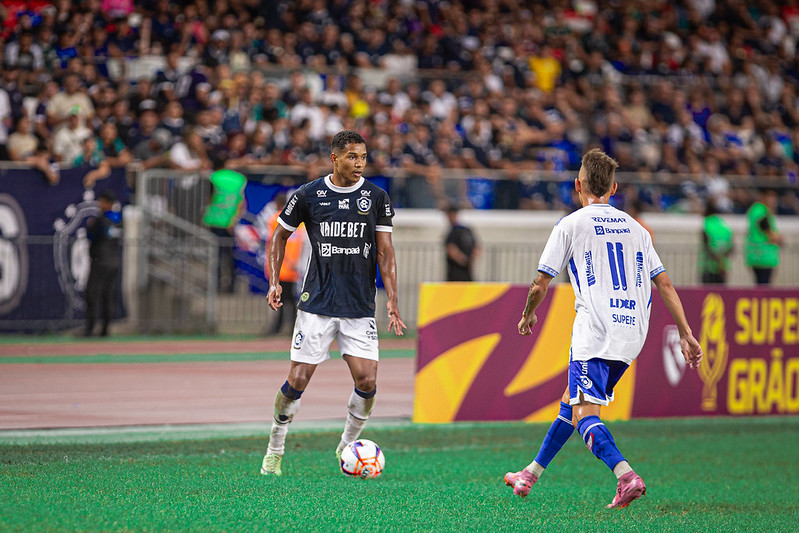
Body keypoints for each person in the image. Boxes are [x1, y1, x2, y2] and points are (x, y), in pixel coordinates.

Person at [503, 149, 703, 508]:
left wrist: (528, 314)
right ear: (614, 188)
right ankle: (529, 474)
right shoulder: (637, 229)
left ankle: (625, 476)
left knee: (585, 414)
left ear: (578, 186)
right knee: (573, 401)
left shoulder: (571, 224)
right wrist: (686, 333)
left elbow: (539, 283)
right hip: (632, 334)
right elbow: (664, 284)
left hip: (595, 331)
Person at [260, 130, 406, 476]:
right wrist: (274, 280)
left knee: (367, 381)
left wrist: (392, 298)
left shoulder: (377, 197)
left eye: (363, 157)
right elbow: (279, 235)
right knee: (298, 379)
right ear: (335, 158)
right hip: (317, 303)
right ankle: (274, 451)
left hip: (358, 305)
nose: (359, 164)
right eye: (352, 157)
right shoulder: (309, 194)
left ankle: (346, 446)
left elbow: (385, 251)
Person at [265, 192, 307, 335]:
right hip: (293, 267)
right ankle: (291, 326)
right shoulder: (298, 221)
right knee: (290, 299)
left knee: (282, 299)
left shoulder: (275, 219)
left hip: (280, 267)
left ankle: (279, 327)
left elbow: (275, 241)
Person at [83, 190, 123, 337]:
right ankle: (106, 329)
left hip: (100, 260)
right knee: (108, 295)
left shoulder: (101, 219)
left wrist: (91, 226)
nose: (99, 204)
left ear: (107, 203)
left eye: (101, 201)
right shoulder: (119, 219)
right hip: (114, 261)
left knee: (92, 293)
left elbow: (91, 235)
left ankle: (90, 329)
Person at [202, 168, 246, 293]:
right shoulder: (239, 179)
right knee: (228, 256)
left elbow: (209, 199)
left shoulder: (215, 177)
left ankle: (218, 285)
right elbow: (242, 203)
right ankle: (229, 285)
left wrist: (205, 217)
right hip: (228, 223)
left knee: (218, 256)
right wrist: (234, 220)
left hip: (216, 221)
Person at [744, 189, 783, 285]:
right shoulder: (762, 210)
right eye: (770, 197)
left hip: (755, 255)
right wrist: (777, 238)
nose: (773, 200)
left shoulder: (754, 210)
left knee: (760, 284)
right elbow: (764, 226)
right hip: (764, 256)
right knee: (764, 285)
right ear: (763, 197)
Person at [699, 200, 734, 284]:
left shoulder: (706, 224)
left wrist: (718, 262)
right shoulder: (724, 226)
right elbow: (731, 247)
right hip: (723, 267)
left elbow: (707, 246)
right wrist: (722, 264)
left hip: (709, 267)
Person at [444, 204, 479, 281]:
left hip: (456, 273)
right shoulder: (466, 229)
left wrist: (462, 260)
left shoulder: (454, 231)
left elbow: (451, 249)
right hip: (464, 271)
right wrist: (468, 261)